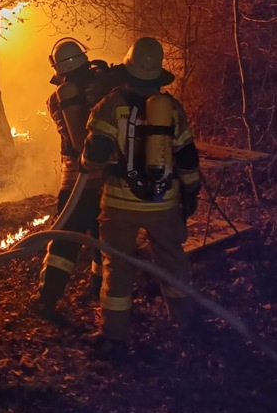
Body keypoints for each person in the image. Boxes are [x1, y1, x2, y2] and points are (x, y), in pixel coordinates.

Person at [80, 36, 201, 357]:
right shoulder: (172, 108)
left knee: (116, 267)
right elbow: (187, 156)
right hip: (164, 202)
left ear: (128, 70)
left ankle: (114, 337)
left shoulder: (111, 103)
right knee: (173, 263)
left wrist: (87, 163)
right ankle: (188, 325)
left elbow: (95, 152)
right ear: (158, 73)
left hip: (120, 203)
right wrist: (190, 191)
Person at [30, 38, 122, 326]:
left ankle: (47, 299)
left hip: (78, 178)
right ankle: (98, 291)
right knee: (100, 237)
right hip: (108, 175)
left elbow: (77, 142)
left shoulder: (63, 93)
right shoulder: (102, 83)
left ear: (58, 67)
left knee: (64, 242)